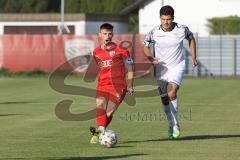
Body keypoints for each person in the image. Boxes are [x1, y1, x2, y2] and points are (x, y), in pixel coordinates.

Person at [143, 5, 197, 139]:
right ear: (160, 19)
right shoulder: (154, 32)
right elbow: (146, 46)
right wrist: (150, 58)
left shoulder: (182, 29)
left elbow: (191, 39)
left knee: (172, 91)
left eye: (168, 19)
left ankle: (176, 124)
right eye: (163, 19)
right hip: (161, 68)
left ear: (173, 18)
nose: (166, 22)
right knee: (164, 97)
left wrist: (194, 57)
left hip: (177, 66)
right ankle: (171, 123)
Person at [89, 23, 134, 144]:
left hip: (118, 86)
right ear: (100, 35)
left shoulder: (122, 50)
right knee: (100, 105)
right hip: (102, 84)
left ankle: (98, 133)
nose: (107, 36)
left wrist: (130, 84)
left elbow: (130, 68)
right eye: (105, 34)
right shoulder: (96, 52)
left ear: (112, 34)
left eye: (109, 34)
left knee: (109, 112)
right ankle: (101, 132)